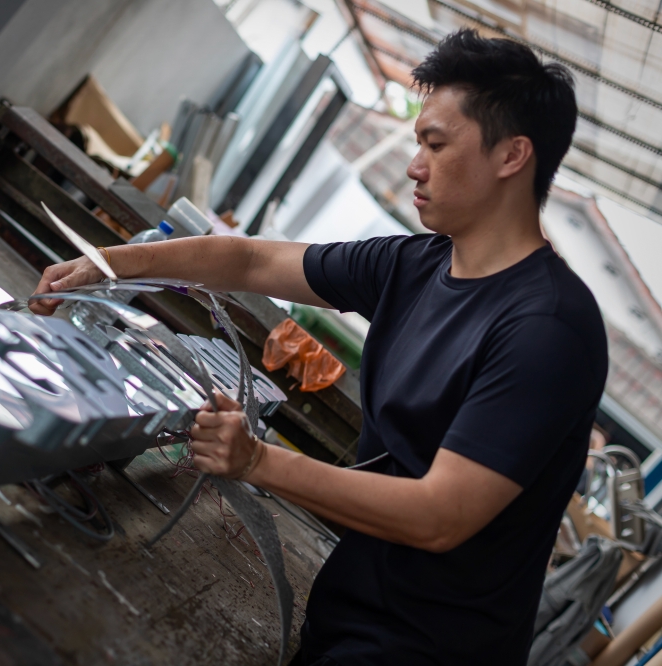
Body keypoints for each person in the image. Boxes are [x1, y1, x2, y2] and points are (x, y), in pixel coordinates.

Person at [30, 29, 607, 666]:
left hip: (431, 647)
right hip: (352, 608)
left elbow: (440, 515)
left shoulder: (549, 330)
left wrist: (256, 462)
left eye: (436, 144)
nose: (415, 166)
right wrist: (108, 264)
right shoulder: (414, 264)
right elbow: (248, 260)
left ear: (512, 156)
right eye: (418, 141)